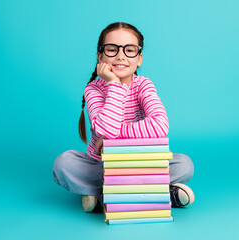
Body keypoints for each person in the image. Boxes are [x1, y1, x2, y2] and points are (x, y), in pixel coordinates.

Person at [53, 22, 195, 212]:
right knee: (63, 163)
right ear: (100, 56)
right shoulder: (93, 89)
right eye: (112, 49)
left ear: (139, 59)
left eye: (129, 50)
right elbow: (105, 130)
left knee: (184, 164)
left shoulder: (143, 85)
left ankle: (102, 195)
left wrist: (111, 139)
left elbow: (160, 126)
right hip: (102, 166)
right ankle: (152, 193)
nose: (121, 56)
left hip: (142, 164)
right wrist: (114, 84)